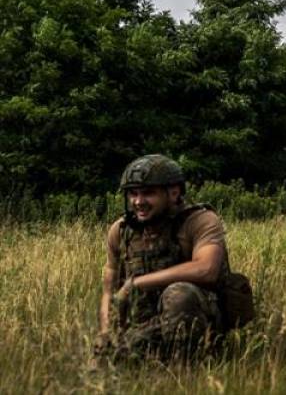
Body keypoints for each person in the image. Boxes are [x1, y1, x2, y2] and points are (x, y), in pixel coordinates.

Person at [95, 154, 253, 362]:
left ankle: (186, 369)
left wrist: (136, 283)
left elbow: (207, 269)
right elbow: (110, 291)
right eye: (133, 194)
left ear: (174, 193)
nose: (138, 202)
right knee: (107, 358)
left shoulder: (200, 221)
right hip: (146, 325)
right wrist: (106, 332)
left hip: (199, 323)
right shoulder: (121, 231)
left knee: (179, 294)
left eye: (148, 193)